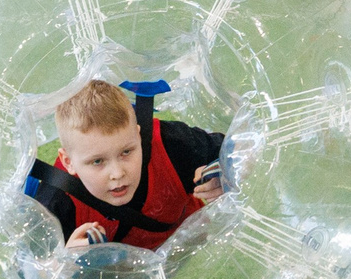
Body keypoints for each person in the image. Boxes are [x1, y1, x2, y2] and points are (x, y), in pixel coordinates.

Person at [23, 79, 226, 250]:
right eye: (97, 161)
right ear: (68, 162)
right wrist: (62, 266)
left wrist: (224, 177)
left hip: (190, 237)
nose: (117, 173)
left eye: (126, 152)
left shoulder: (169, 143)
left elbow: (232, 151)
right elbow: (30, 277)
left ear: (139, 135)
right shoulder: (55, 203)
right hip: (121, 275)